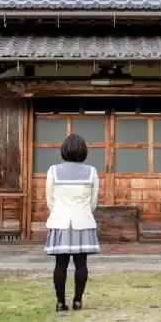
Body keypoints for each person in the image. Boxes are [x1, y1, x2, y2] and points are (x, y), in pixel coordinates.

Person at [44, 133, 100, 312]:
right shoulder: (91, 172)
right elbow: (93, 201)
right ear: (84, 151)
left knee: (60, 264)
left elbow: (50, 199)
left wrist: (58, 211)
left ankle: (60, 303)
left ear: (64, 150)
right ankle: (78, 301)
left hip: (60, 221)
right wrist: (84, 211)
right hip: (83, 221)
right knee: (81, 264)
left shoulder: (53, 171)